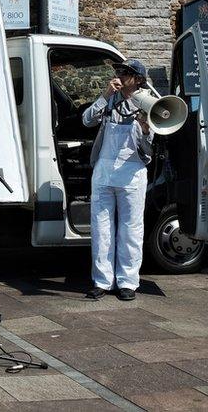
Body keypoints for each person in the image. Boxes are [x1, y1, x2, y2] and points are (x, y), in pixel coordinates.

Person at [81, 59, 154, 301]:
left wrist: (145, 128)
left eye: (126, 73)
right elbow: (87, 120)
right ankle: (102, 280)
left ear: (138, 79)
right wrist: (104, 95)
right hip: (104, 171)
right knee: (101, 229)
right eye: (119, 71)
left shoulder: (148, 101)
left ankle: (128, 282)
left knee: (131, 229)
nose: (120, 75)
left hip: (132, 173)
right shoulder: (109, 98)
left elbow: (151, 142)